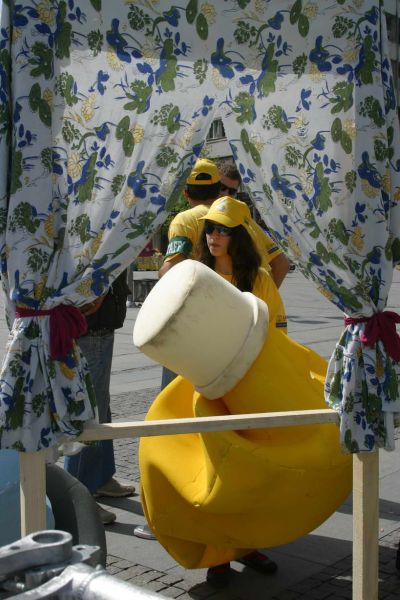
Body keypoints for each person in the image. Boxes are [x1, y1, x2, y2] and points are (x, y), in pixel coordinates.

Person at [195, 195, 285, 587]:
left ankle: (248, 546)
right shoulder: (198, 275)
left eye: (224, 230)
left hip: (249, 388)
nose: (214, 236)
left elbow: (277, 334)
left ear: (240, 236)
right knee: (216, 475)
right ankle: (218, 556)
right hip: (207, 387)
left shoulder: (259, 279)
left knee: (251, 471)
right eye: (210, 229)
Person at [64, 271, 135, 525]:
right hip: (90, 324)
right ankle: (76, 497)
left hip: (99, 322)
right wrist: (97, 289)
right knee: (90, 411)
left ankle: (100, 476)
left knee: (100, 405)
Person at [217, 161, 290, 288]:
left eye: (231, 192)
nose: (226, 195)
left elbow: (281, 263)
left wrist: (266, 296)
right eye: (221, 188)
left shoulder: (241, 219)